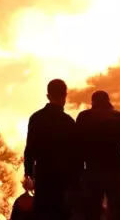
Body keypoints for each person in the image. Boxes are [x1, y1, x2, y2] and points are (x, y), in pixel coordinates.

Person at [23, 79, 79, 220]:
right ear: (65, 96)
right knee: (61, 213)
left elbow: (30, 148)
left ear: (48, 96)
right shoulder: (68, 121)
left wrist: (28, 172)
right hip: (63, 177)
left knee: (42, 212)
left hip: (43, 173)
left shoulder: (36, 118)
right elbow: (75, 153)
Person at [76, 90, 120, 220]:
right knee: (117, 212)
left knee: (91, 211)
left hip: (91, 170)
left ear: (92, 102)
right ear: (108, 101)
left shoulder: (84, 118)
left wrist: (80, 171)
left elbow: (77, 146)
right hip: (115, 171)